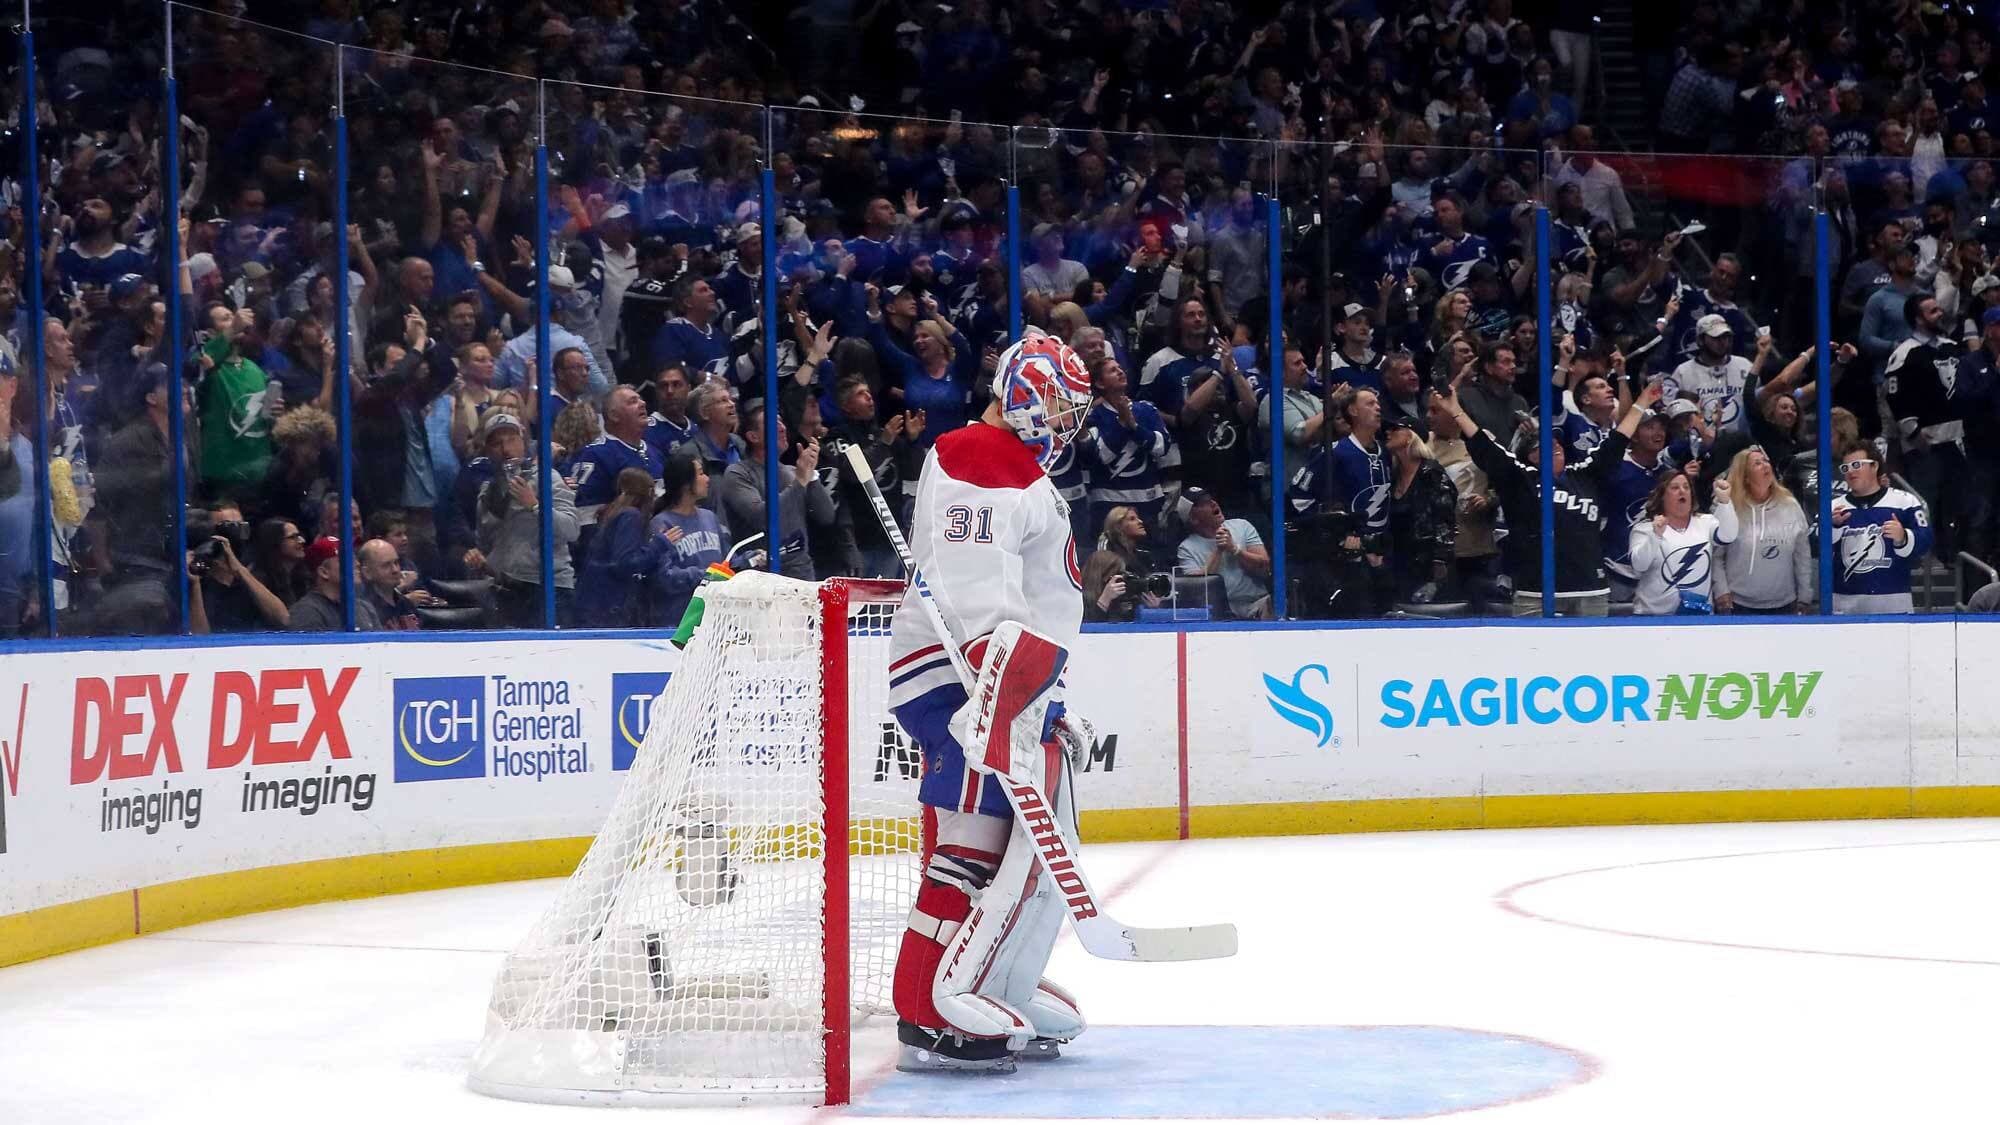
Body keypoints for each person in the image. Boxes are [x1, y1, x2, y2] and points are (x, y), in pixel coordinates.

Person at [884, 331, 1093, 1074]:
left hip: (1005, 680)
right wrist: (995, 677)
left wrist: (1045, 696)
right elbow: (977, 586)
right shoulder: (979, 456)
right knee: (971, 840)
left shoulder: (1019, 468)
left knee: (1031, 844)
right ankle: (923, 1001)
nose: (1069, 425)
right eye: (1061, 408)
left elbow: (1041, 603)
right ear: (1030, 397)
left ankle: (990, 979)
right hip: (959, 675)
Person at [1436, 370, 1664, 616]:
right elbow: (1487, 449)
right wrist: (1456, 411)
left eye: (1556, 441)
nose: (1554, 445)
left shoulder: (1585, 474)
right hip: (1536, 592)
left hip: (1589, 591)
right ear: (1529, 456)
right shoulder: (1519, 478)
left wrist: (1642, 403)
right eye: (1542, 444)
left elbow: (1616, 442)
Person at [479, 413, 579, 627]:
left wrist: (534, 505)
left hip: (550, 587)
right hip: (508, 589)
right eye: (497, 443)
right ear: (488, 451)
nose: (506, 449)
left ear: (523, 442)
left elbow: (571, 529)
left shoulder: (547, 478)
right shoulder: (488, 491)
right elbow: (487, 540)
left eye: (511, 439)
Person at [718, 402, 830, 580]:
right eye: (772, 423)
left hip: (801, 573)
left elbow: (826, 515)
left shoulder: (793, 471)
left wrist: (812, 474)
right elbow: (762, 517)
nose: (782, 427)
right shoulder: (738, 473)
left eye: (781, 421)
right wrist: (800, 481)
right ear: (753, 436)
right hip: (761, 576)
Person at [1830, 440, 1933, 614]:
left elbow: (1926, 539)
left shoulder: (1905, 501)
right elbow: (1812, 544)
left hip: (1895, 607)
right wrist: (1831, 528)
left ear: (1874, 466)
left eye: (1856, 465)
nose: (1850, 472)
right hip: (1845, 608)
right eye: (1845, 468)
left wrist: (1903, 538)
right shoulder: (1833, 507)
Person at [1715, 446, 1815, 615]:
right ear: (1745, 477)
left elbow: (1802, 553)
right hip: (1738, 604)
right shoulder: (1729, 508)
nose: (1766, 466)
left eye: (1766, 461)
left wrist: (1805, 595)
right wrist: (1720, 590)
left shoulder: (1789, 505)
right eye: (1757, 463)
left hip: (1785, 604)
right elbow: (1717, 555)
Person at [1627, 471, 1739, 615]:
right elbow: (1639, 565)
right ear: (1662, 496)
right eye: (1674, 488)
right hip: (1653, 616)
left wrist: (1725, 502)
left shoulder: (1705, 522)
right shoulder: (1644, 529)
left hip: (1698, 616)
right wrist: (1655, 536)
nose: (1682, 491)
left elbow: (1728, 536)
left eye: (1686, 487)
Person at [577, 468, 669, 627]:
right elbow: (625, 563)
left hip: (598, 602)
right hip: (610, 605)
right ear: (648, 492)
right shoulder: (630, 516)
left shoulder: (613, 512)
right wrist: (659, 544)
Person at [649, 450, 731, 625]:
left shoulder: (710, 517)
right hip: (677, 622)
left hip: (714, 620)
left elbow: (727, 562)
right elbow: (664, 578)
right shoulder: (662, 524)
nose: (707, 479)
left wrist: (749, 560)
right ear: (686, 484)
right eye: (701, 473)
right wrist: (705, 575)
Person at [1178, 486, 1273, 620]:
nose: (1213, 503)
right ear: (1193, 519)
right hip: (1218, 612)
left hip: (1256, 603)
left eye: (1211, 499)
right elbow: (1197, 591)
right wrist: (1219, 550)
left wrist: (1235, 550)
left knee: (1271, 605)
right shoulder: (1186, 548)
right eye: (1204, 503)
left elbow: (1264, 567)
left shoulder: (1242, 526)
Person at [286, 536, 379, 632]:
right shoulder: (305, 612)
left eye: (354, 557)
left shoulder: (365, 608)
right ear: (324, 572)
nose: (357, 563)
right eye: (346, 559)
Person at [358, 537, 421, 630]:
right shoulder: (363, 610)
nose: (395, 570)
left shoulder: (406, 604)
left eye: (396, 563)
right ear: (367, 573)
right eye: (386, 565)